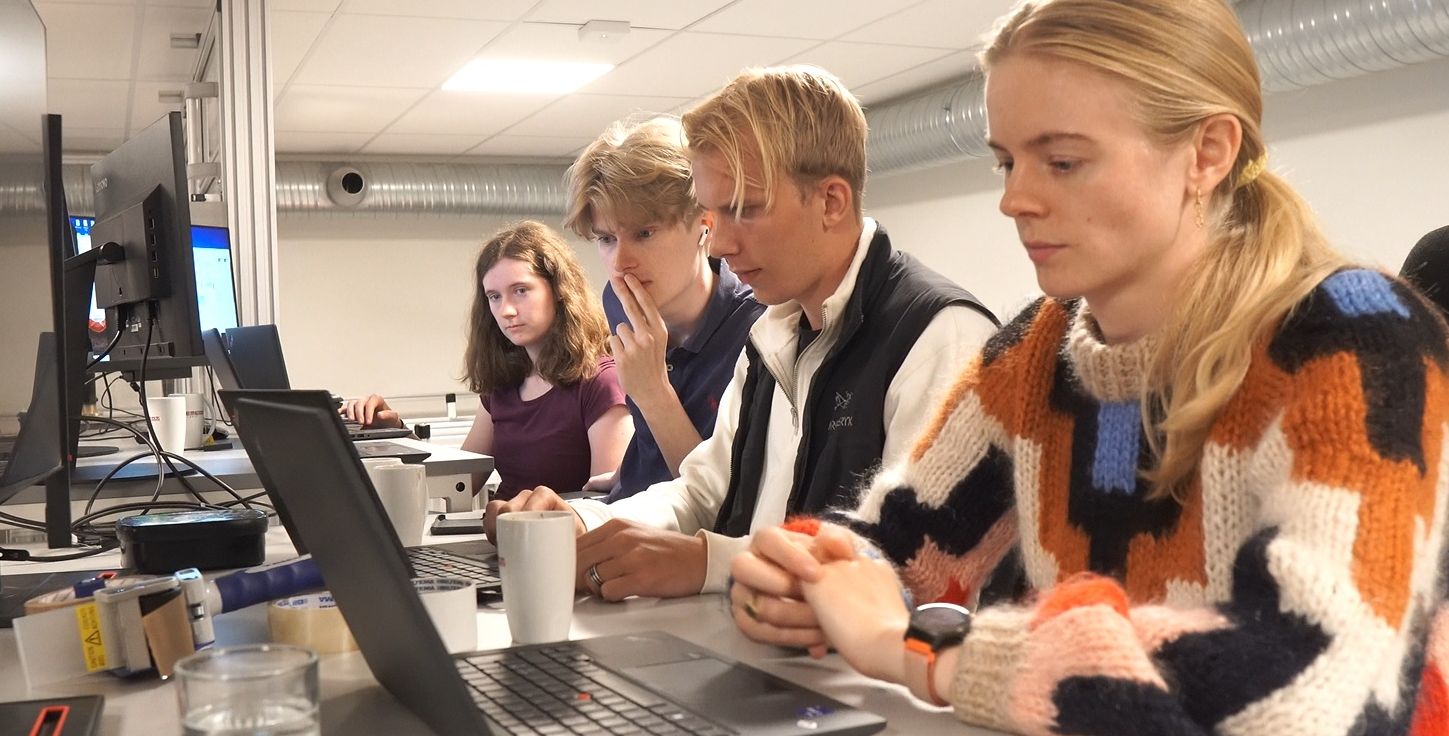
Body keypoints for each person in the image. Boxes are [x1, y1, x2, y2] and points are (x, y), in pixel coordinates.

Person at [729, 0, 1449, 736]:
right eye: (1005, 160)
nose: (1013, 199)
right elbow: (903, 546)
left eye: (1061, 160)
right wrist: (806, 574)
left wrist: (922, 652)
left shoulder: (1353, 335)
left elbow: (1302, 715)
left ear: (1207, 152)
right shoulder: (1040, 346)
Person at [491, 66, 998, 602]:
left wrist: (710, 562)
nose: (719, 245)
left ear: (831, 202)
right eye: (714, 214)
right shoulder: (772, 333)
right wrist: (584, 523)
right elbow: (706, 491)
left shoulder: (939, 337)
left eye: (745, 211)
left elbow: (916, 562)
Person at [348, 221, 630, 501]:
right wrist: (394, 434)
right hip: (501, 535)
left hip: (558, 540)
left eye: (520, 290)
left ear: (559, 291)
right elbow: (458, 481)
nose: (506, 310)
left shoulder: (601, 382)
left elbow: (604, 508)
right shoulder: (503, 386)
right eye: (494, 297)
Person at [564, 116, 763, 503]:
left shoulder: (758, 330)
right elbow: (646, 426)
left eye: (644, 233)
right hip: (630, 509)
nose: (620, 261)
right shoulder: (618, 300)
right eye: (606, 238)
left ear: (704, 225)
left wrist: (653, 391)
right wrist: (632, 467)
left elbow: (723, 503)